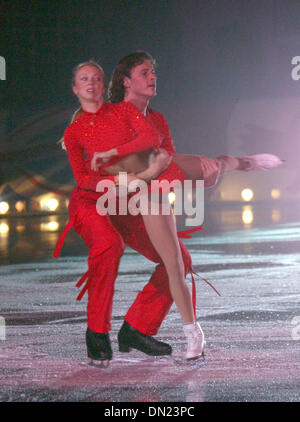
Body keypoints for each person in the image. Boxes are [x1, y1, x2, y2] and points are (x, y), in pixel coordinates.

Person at [55, 54, 282, 362]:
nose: (92, 83)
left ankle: (136, 328)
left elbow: (158, 151)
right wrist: (137, 176)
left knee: (180, 259)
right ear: (74, 88)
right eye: (84, 79)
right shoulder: (75, 131)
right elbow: (85, 179)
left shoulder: (124, 112)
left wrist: (144, 172)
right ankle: (96, 334)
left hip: (133, 199)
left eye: (96, 77)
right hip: (95, 200)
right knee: (109, 245)